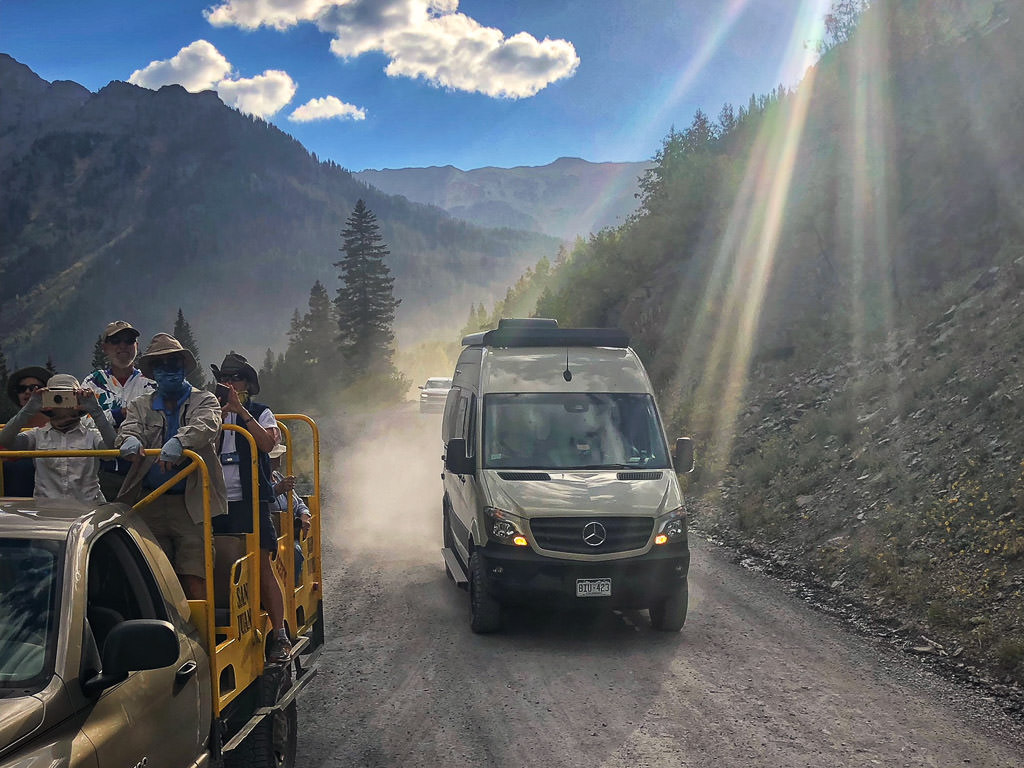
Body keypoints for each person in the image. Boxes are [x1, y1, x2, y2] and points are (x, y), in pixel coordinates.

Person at [115, 334, 227, 600]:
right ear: (154, 372)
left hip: (191, 504)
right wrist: (128, 439)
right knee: (153, 578)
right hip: (147, 502)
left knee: (195, 573)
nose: (169, 369)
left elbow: (208, 425)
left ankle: (202, 636)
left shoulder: (205, 400)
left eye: (174, 363)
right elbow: (129, 429)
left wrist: (180, 441)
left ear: (184, 367)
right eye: (162, 365)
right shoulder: (140, 405)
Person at [210, 352, 291, 663]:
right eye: (225, 378)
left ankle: (280, 634)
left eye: (236, 378)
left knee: (261, 565)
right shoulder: (210, 412)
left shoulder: (260, 412)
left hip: (250, 499)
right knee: (215, 561)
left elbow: (267, 444)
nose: (229, 383)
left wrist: (240, 411)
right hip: (216, 499)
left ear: (247, 384)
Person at [0, 373, 116, 504]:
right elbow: (5, 441)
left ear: (78, 401)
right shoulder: (37, 435)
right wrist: (28, 409)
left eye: (68, 396)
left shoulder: (92, 435)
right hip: (48, 514)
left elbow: (112, 449)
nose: (62, 402)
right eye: (56, 397)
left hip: (87, 512)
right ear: (47, 401)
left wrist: (96, 411)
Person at [81, 321, 156, 500]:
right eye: (116, 341)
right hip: (103, 473)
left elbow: (155, 422)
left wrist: (105, 421)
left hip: (144, 471)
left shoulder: (150, 381)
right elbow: (83, 421)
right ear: (105, 347)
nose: (123, 346)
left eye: (129, 340)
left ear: (136, 346)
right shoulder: (92, 382)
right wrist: (118, 415)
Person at [1, 366, 52, 497]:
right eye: (21, 389)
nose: (28, 392)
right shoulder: (8, 429)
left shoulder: (58, 426)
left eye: (35, 388)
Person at [268, 443, 312, 580]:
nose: (280, 459)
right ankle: (290, 588)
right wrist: (275, 491)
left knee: (295, 551)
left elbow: (298, 502)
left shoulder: (278, 476)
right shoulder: (256, 480)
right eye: (276, 456)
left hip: (288, 533)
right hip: (274, 535)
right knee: (295, 552)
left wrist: (305, 516)